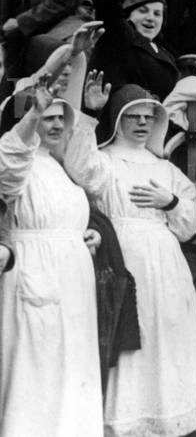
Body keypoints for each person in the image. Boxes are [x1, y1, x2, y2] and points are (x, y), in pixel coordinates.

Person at [65, 84, 196, 436]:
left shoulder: (166, 169)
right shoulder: (105, 160)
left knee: (168, 332)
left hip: (165, 261)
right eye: (133, 115)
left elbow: (188, 226)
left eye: (149, 116)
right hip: (121, 256)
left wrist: (171, 203)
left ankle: (173, 416)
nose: (142, 123)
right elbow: (80, 170)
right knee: (133, 335)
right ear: (118, 119)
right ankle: (128, 421)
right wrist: (90, 117)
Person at [0, 81, 104, 437]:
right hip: (35, 269)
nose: (57, 124)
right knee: (37, 359)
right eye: (47, 117)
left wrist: (85, 234)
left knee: (71, 360)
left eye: (62, 117)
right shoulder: (16, 160)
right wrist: (30, 116)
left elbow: (74, 206)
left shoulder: (58, 166)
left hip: (72, 275)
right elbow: (9, 167)